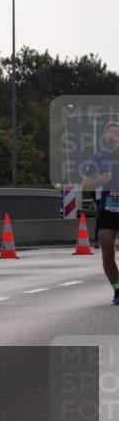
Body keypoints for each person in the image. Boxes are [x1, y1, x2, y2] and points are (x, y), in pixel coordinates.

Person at [81, 120, 119, 305]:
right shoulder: (98, 157)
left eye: (117, 133)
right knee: (107, 252)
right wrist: (100, 180)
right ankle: (117, 289)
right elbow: (86, 185)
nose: (113, 136)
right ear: (105, 135)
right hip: (108, 209)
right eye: (110, 133)